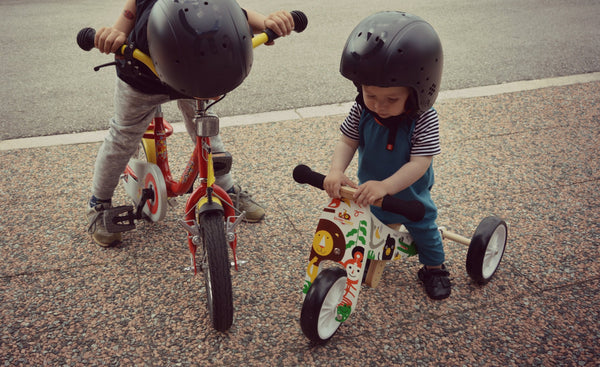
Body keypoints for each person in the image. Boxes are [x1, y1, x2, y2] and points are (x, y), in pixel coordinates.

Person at [86, 0, 295, 247]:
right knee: (123, 136)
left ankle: (226, 188)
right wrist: (114, 35)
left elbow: (237, 13)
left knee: (206, 128)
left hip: (194, 73)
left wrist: (266, 23)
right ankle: (99, 205)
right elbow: (126, 20)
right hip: (143, 74)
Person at [323, 11, 450, 300]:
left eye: (391, 99)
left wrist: (386, 187)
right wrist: (335, 170)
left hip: (409, 198)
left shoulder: (423, 119)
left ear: (417, 93)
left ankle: (434, 268)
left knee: (425, 231)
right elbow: (347, 140)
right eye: (371, 95)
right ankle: (369, 251)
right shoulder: (362, 109)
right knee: (364, 226)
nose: (379, 106)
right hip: (371, 192)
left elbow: (420, 163)